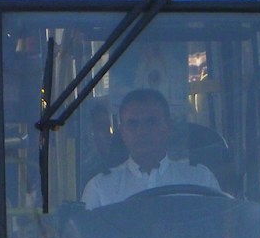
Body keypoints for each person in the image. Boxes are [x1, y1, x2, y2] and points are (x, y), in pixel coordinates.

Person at [81, 87, 221, 209]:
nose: (142, 131)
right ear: (122, 131)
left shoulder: (200, 179)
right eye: (133, 124)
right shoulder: (99, 189)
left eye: (151, 122)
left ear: (169, 127)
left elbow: (221, 231)